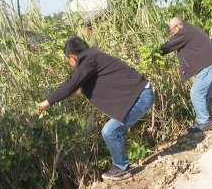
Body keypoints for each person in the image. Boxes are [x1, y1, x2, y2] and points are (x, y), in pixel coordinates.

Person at [37, 37, 154, 180]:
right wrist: (80, 91)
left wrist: (47, 102)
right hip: (141, 94)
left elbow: (72, 82)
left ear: (72, 57)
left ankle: (121, 168)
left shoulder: (88, 59)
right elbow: (100, 80)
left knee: (109, 131)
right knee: (115, 129)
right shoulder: (93, 56)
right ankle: (121, 165)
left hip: (141, 97)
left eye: (68, 60)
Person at [161, 17, 212, 133]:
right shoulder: (190, 29)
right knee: (203, 95)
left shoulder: (184, 32)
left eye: (171, 31)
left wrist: (155, 51)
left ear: (177, 27)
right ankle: (202, 120)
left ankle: (204, 122)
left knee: (196, 93)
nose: (172, 34)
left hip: (208, 66)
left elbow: (168, 46)